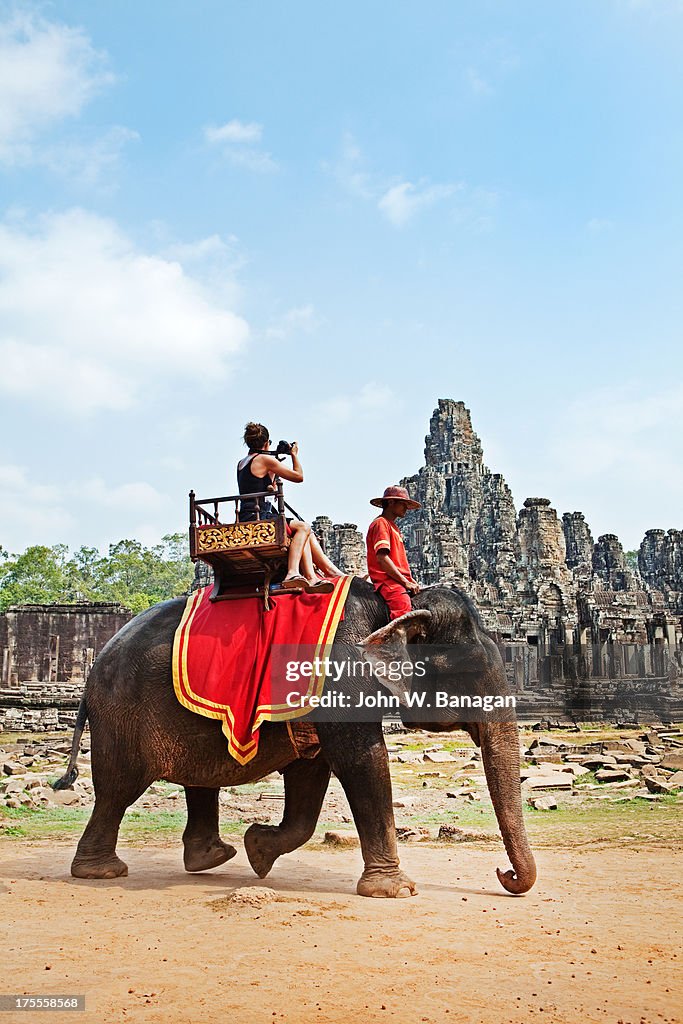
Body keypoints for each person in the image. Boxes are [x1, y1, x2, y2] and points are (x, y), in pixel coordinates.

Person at [237, 422, 342, 594]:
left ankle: (314, 576)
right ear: (266, 443)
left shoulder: (242, 462)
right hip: (259, 518)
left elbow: (263, 488)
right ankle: (292, 573)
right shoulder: (264, 459)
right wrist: (294, 455)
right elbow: (299, 476)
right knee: (303, 526)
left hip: (249, 515)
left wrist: (273, 470)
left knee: (305, 531)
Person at [366, 485, 421, 620]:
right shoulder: (381, 524)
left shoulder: (394, 527)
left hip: (398, 580)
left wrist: (409, 580)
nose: (406, 508)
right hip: (388, 581)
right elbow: (382, 558)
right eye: (403, 504)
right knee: (403, 611)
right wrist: (405, 582)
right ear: (391, 503)